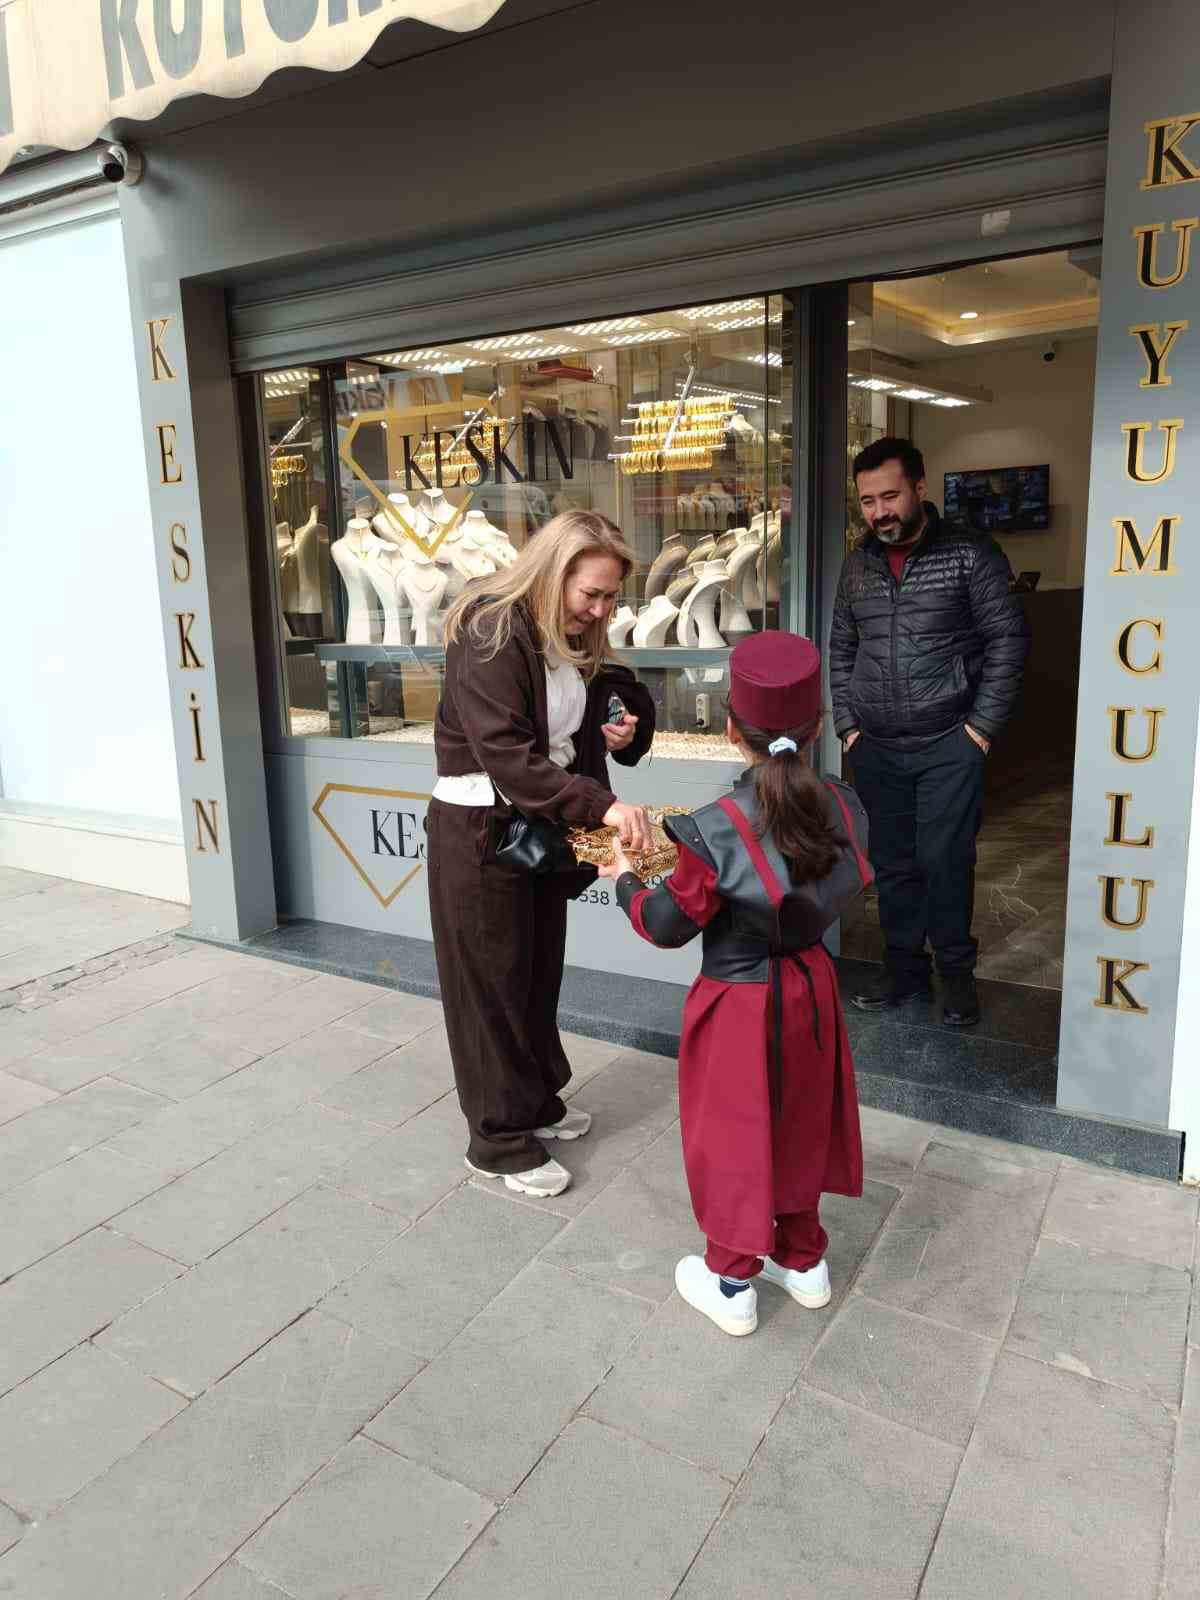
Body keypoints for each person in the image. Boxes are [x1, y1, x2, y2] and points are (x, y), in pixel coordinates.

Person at [598, 632, 870, 1337]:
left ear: (729, 727)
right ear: (813, 728)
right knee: (803, 1118)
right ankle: (804, 1261)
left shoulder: (714, 829)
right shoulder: (843, 805)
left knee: (732, 1134)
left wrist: (625, 878)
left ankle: (731, 1282)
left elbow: (665, 924)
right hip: (812, 987)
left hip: (738, 998)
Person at [429, 509, 656, 1200]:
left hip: (533, 832)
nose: (601, 609)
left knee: (532, 979)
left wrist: (621, 724)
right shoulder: (492, 630)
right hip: (479, 833)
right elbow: (508, 757)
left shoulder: (562, 630)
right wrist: (603, 807)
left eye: (613, 596)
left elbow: (583, 704)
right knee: (490, 992)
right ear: (552, 572)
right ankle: (496, 1140)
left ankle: (533, 1102)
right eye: (591, 593)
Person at [829, 437, 1030, 1028]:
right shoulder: (858, 564)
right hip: (877, 746)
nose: (878, 511)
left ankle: (957, 977)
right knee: (892, 864)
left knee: (945, 860)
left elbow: (1007, 641)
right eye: (867, 501)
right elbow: (841, 648)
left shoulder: (971, 555)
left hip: (950, 742)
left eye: (889, 495)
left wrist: (981, 729)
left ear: (920, 487)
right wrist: (848, 726)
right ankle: (904, 972)